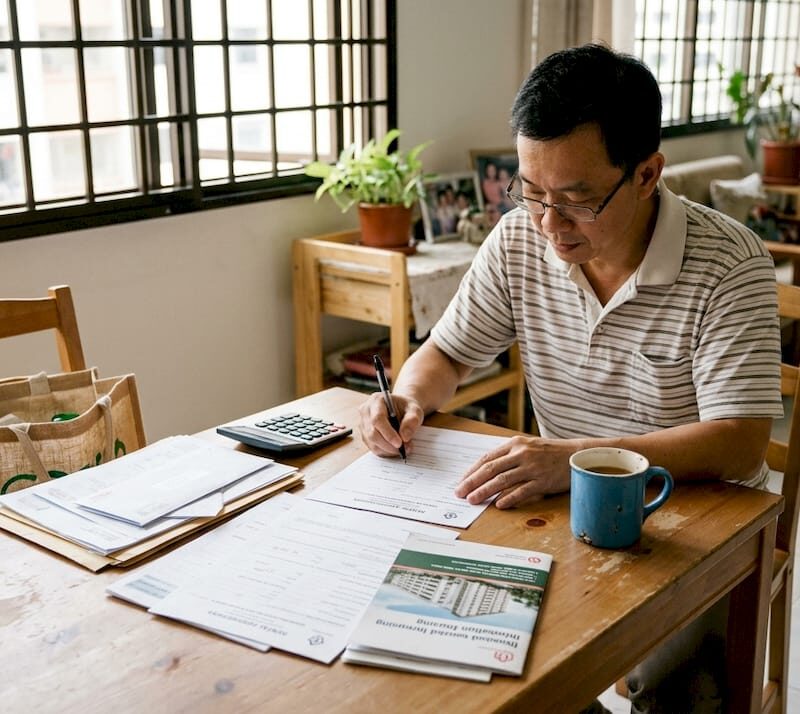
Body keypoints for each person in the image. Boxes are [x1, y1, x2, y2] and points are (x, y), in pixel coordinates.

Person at [359, 43, 783, 713]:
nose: (549, 225)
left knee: (686, 696)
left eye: (577, 200)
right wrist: (406, 397)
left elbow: (740, 441)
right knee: (459, 661)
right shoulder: (517, 241)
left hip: (700, 518)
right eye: (532, 194)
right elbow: (447, 355)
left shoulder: (730, 264)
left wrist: (574, 460)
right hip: (559, 510)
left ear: (647, 174)